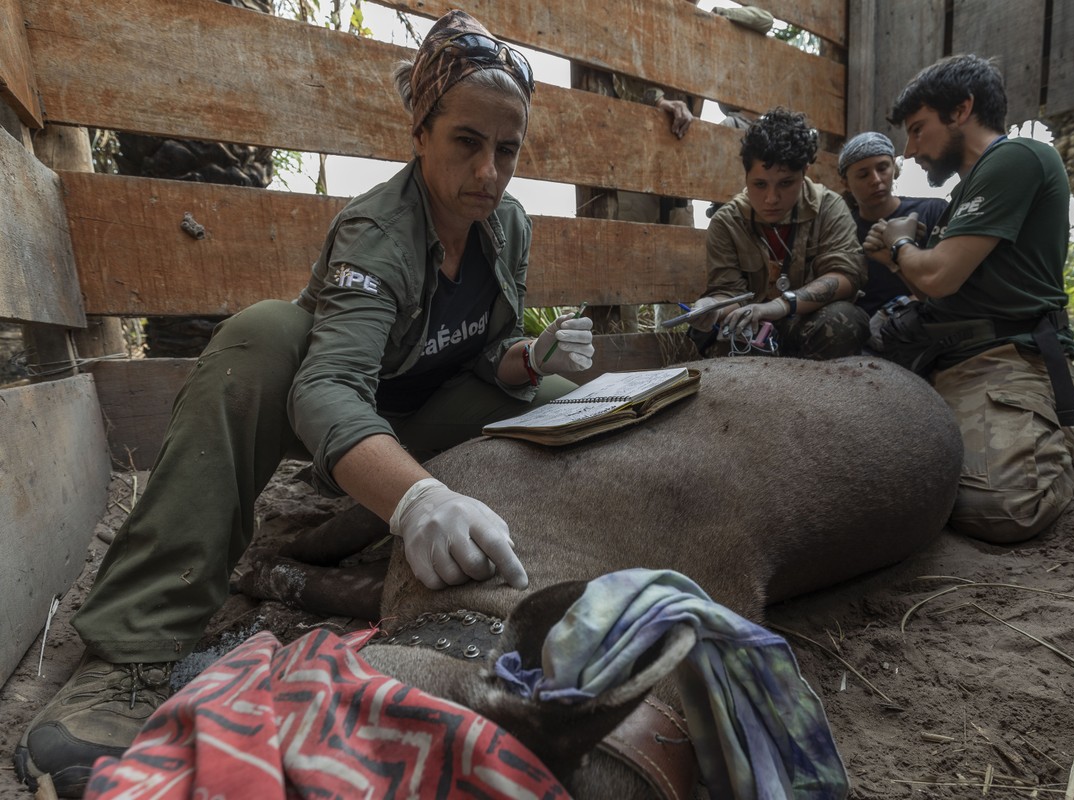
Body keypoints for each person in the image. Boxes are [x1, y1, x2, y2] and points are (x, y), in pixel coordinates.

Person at [13, 11, 594, 796]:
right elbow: (326, 388)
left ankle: (536, 583)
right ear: (420, 131)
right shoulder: (377, 232)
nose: (489, 171)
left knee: (567, 403)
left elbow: (475, 352)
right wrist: (417, 496)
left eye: (507, 148)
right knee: (259, 340)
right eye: (466, 141)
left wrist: (528, 358)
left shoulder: (507, 228)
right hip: (341, 429)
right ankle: (133, 650)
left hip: (421, 415)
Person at [863, 53, 1074, 545]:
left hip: (1007, 356)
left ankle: (1057, 439)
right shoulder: (965, 195)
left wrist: (900, 244)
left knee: (1002, 508)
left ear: (961, 110)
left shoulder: (1018, 158)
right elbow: (934, 287)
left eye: (918, 129)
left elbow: (939, 275)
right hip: (948, 355)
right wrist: (894, 260)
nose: (910, 149)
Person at [689, 108, 868, 359]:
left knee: (843, 322)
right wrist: (711, 307)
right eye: (759, 184)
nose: (771, 199)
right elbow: (728, 291)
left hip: (805, 323)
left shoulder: (830, 207)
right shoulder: (727, 223)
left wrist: (778, 306)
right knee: (724, 343)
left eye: (785, 183)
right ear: (746, 175)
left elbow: (846, 277)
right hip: (753, 328)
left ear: (804, 171)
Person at [837, 131, 948, 319]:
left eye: (882, 168)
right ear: (846, 183)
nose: (876, 180)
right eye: (863, 175)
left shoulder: (932, 211)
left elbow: (947, 282)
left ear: (895, 170)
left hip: (926, 319)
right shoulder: (842, 230)